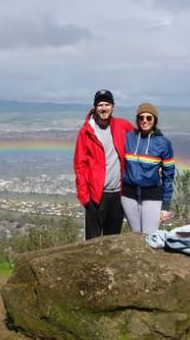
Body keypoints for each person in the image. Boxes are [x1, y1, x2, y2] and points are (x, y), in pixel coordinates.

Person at [73, 89, 134, 240]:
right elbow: (79, 166)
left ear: (113, 107)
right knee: (93, 241)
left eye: (107, 104)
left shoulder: (123, 126)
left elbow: (141, 143)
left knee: (112, 239)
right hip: (96, 196)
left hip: (118, 194)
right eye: (100, 105)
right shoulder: (86, 132)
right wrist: (85, 198)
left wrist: (157, 165)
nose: (104, 108)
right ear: (95, 107)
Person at [121, 102, 175, 234]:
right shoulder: (128, 138)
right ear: (137, 119)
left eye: (149, 118)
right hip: (128, 195)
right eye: (141, 117)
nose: (144, 121)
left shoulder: (163, 143)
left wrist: (166, 205)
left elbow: (168, 175)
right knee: (135, 236)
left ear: (154, 120)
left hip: (152, 194)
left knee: (148, 236)